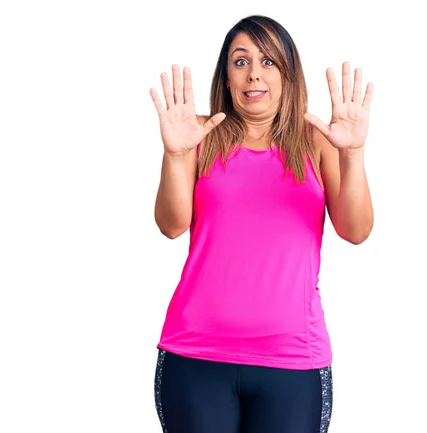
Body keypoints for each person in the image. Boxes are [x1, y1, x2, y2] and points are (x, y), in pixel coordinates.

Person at [149, 15, 374, 433]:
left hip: (291, 363)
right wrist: (176, 156)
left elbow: (355, 229)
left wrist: (354, 154)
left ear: (288, 74)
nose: (254, 72)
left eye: (269, 61)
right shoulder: (200, 135)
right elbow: (171, 224)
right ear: (227, 75)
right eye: (241, 61)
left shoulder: (317, 141)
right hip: (196, 358)